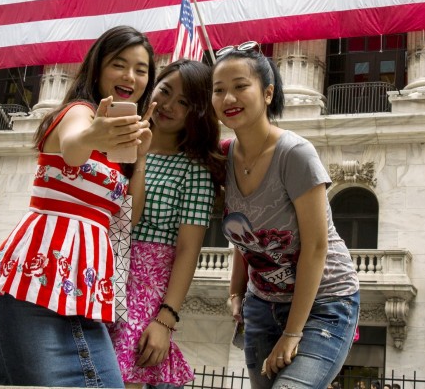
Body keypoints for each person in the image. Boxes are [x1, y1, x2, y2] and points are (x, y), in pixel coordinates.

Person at [0, 26, 157, 387]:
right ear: (96, 69)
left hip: (84, 293)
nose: (130, 76)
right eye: (119, 65)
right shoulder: (79, 112)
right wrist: (94, 134)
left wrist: (139, 160)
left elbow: (127, 217)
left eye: (141, 69)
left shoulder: (119, 142)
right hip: (36, 285)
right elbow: (74, 148)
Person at [215, 41, 360, 389]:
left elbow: (315, 247)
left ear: (267, 93)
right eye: (219, 90)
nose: (228, 99)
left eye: (240, 87)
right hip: (261, 305)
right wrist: (237, 292)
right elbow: (244, 235)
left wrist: (294, 332)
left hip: (326, 302)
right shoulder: (222, 157)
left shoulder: (295, 153)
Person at [110, 59, 225, 388]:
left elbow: (189, 249)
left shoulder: (195, 169)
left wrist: (166, 318)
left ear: (198, 112)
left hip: (147, 287)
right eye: (165, 91)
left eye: (185, 102)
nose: (169, 106)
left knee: (124, 374)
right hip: (103, 274)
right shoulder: (117, 147)